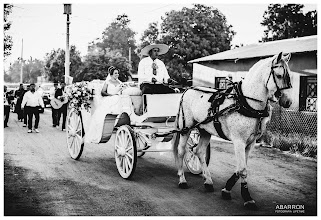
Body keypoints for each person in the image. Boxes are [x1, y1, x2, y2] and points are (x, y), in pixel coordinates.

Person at [85, 66, 130, 143]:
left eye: (118, 73)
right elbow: (103, 92)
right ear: (111, 74)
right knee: (102, 115)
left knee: (123, 100)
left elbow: (122, 90)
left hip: (118, 98)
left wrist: (122, 89)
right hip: (109, 98)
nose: (117, 75)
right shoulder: (108, 82)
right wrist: (110, 95)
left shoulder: (119, 82)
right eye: (116, 73)